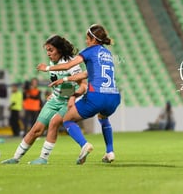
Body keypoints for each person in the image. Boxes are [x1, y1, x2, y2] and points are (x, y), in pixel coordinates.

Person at [38, 24, 121, 165]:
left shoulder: (89, 51)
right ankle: (110, 151)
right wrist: (64, 79)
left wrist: (47, 68)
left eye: (87, 38)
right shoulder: (107, 54)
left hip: (97, 96)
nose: (86, 41)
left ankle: (84, 145)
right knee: (103, 118)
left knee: (67, 119)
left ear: (93, 39)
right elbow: (87, 74)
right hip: (114, 96)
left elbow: (68, 65)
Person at [2, 35, 87, 165]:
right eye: (47, 50)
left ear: (59, 49)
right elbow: (59, 83)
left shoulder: (71, 63)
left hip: (68, 102)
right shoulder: (53, 62)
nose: (48, 53)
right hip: (55, 100)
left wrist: (73, 97)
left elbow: (83, 85)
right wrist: (54, 93)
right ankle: (15, 158)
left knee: (53, 124)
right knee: (36, 129)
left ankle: (43, 158)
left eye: (51, 50)